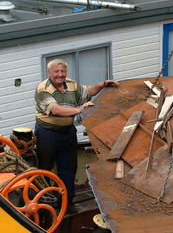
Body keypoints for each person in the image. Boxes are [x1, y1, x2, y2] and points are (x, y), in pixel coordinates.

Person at [34, 59, 119, 214]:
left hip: (68, 132)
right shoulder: (43, 89)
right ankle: (45, 205)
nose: (60, 75)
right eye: (56, 71)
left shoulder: (72, 84)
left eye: (63, 71)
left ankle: (67, 202)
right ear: (49, 73)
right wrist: (80, 110)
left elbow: (88, 91)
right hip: (48, 133)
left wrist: (102, 85)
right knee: (44, 170)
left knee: (69, 169)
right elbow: (55, 110)